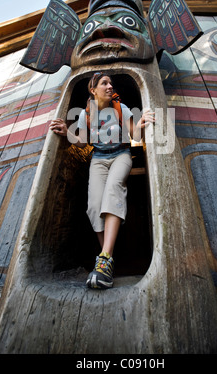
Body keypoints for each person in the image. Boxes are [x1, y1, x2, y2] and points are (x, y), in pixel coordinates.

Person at [50, 72, 155, 289]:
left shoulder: (121, 108)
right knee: (94, 205)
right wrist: (65, 133)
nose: (109, 86)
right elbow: (82, 142)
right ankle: (106, 261)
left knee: (113, 191)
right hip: (98, 158)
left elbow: (134, 135)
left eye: (110, 83)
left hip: (121, 155)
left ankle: (104, 257)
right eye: (104, 83)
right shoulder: (86, 112)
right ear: (93, 89)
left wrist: (142, 124)